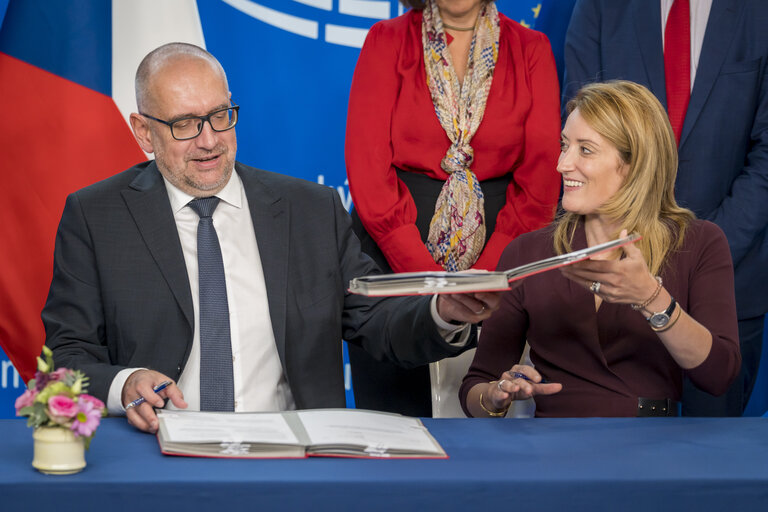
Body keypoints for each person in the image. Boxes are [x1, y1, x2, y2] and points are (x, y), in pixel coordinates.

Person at [42, 42, 501, 434]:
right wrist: (125, 382)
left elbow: (377, 322)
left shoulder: (310, 210)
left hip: (293, 454)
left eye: (220, 116)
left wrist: (443, 314)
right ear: (143, 131)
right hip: (156, 453)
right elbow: (70, 355)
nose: (209, 141)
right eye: (184, 124)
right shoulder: (97, 216)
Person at [460, 81, 741, 418]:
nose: (563, 164)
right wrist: (495, 395)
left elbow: (719, 375)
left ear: (634, 164)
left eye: (585, 149)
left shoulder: (698, 243)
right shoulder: (528, 252)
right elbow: (477, 384)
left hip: (650, 451)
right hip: (552, 451)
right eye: (564, 146)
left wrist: (652, 299)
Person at [344, 0, 562, 416]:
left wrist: (489, 278)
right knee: (397, 433)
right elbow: (367, 169)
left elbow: (539, 182)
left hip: (501, 261)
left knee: (490, 419)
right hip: (393, 263)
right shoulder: (385, 41)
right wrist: (429, 281)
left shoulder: (531, 47)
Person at [562, 0, 768, 417]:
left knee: (707, 470)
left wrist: (700, 258)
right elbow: (583, 131)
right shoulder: (600, 8)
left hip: (730, 278)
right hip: (613, 280)